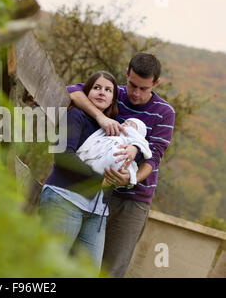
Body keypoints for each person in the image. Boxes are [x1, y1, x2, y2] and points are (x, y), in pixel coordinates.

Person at [67, 52, 175, 277]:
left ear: (155, 84)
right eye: (132, 84)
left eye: (143, 88)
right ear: (126, 74)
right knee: (77, 260)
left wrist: (130, 179)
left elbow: (153, 158)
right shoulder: (113, 93)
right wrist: (101, 117)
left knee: (110, 268)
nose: (135, 93)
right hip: (97, 190)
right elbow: (73, 92)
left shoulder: (164, 113)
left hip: (133, 201)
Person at [39, 70, 118, 271]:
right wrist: (98, 180)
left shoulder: (111, 130)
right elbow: (63, 156)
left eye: (108, 90)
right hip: (64, 198)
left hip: (97, 211)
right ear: (87, 91)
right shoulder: (76, 115)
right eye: (96, 88)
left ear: (113, 99)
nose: (102, 92)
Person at [77, 118, 152, 186]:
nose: (127, 124)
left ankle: (96, 174)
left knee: (116, 158)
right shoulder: (115, 128)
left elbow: (145, 147)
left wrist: (135, 147)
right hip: (105, 147)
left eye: (132, 125)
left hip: (118, 151)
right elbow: (99, 135)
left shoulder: (135, 136)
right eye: (126, 122)